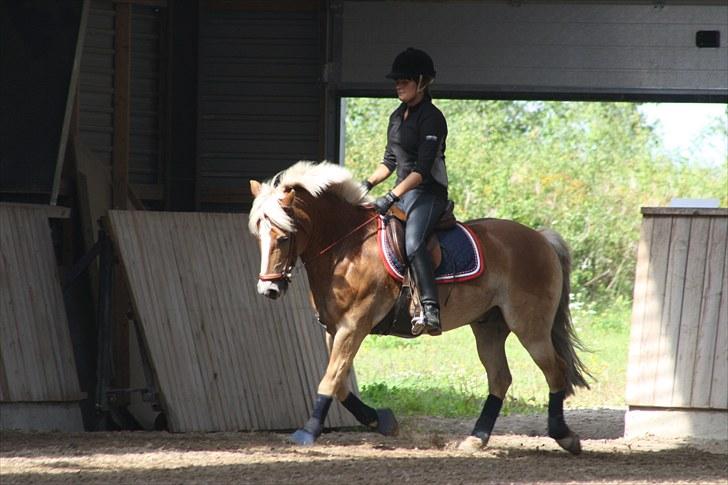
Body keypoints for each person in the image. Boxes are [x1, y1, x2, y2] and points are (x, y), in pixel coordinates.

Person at [363, 47, 449, 336]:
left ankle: (430, 308)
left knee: (413, 243)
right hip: (404, 192)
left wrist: (391, 196)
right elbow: (389, 162)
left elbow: (422, 170)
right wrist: (366, 184)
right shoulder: (396, 117)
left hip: (428, 193)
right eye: (396, 81)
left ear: (422, 83)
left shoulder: (433, 118)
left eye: (405, 80)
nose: (398, 85)